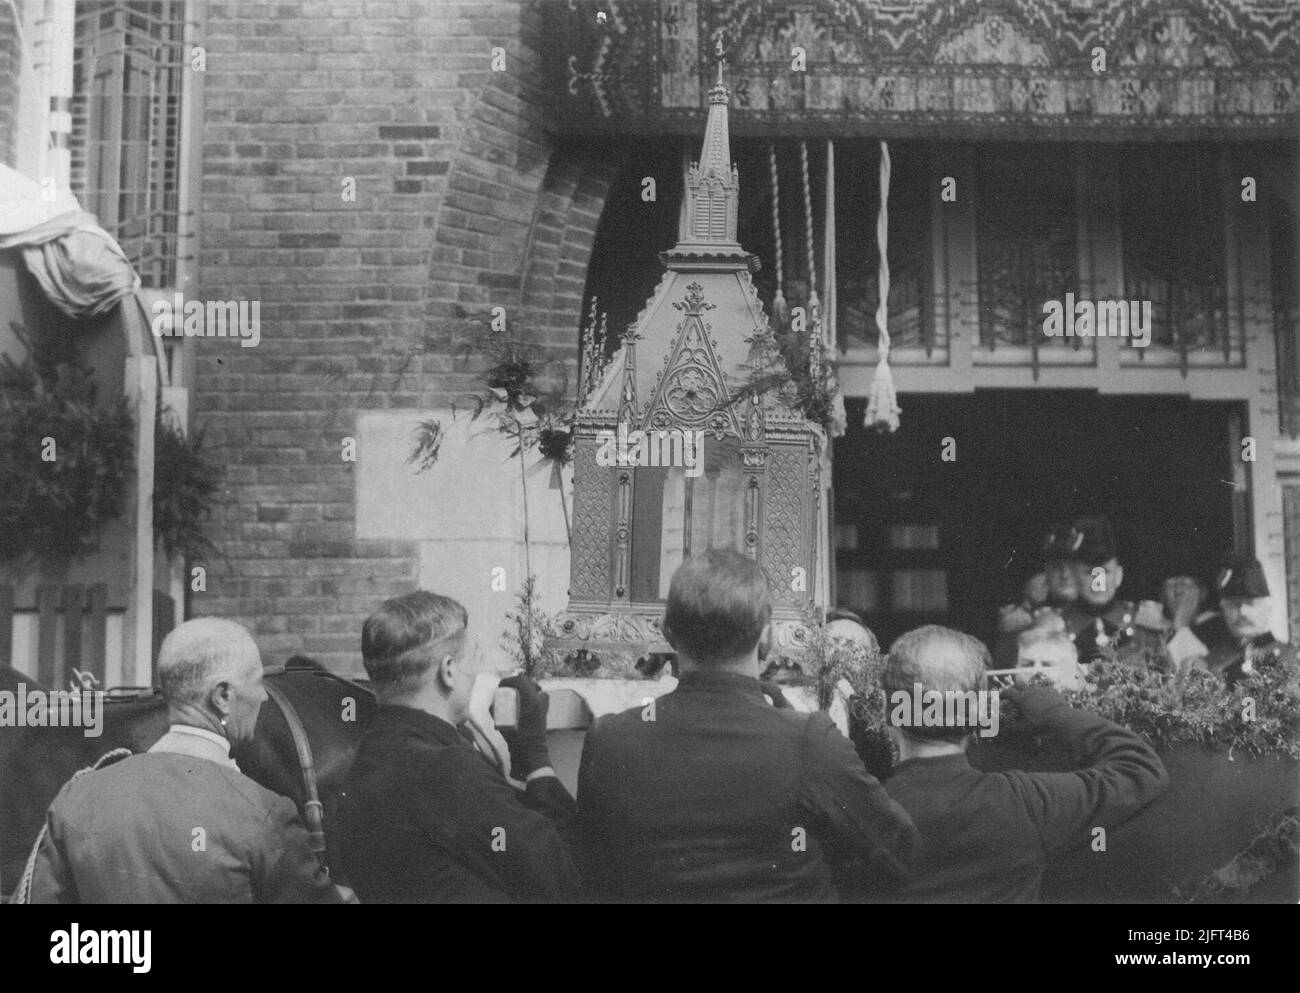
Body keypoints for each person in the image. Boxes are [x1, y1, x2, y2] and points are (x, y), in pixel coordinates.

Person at [576, 549, 918, 902]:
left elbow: (591, 874)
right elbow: (898, 853)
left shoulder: (609, 740)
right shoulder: (810, 741)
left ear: (668, 632)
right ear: (767, 639)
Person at [27, 618, 348, 903]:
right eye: (257, 682)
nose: (263, 696)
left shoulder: (78, 797)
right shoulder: (265, 815)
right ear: (222, 696)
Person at [871, 625, 1168, 903]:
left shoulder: (858, 810)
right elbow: (1141, 769)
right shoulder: (1023, 803)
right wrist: (1056, 713)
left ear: (887, 707)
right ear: (979, 709)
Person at [336, 591, 579, 903]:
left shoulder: (366, 761)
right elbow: (562, 877)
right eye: (472, 661)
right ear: (448, 670)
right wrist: (535, 761)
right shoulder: (445, 769)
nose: (476, 675)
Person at [1060, 516, 1164, 665]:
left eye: (1106, 572)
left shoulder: (1144, 629)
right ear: (1075, 577)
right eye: (1090, 573)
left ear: (1119, 576)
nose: (1098, 583)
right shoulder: (1057, 626)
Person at [1198, 554, 1298, 688]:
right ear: (1224, 609)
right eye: (1234, 604)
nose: (1242, 612)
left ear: (1267, 607)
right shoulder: (1209, 662)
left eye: (1250, 603)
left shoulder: (1289, 658)